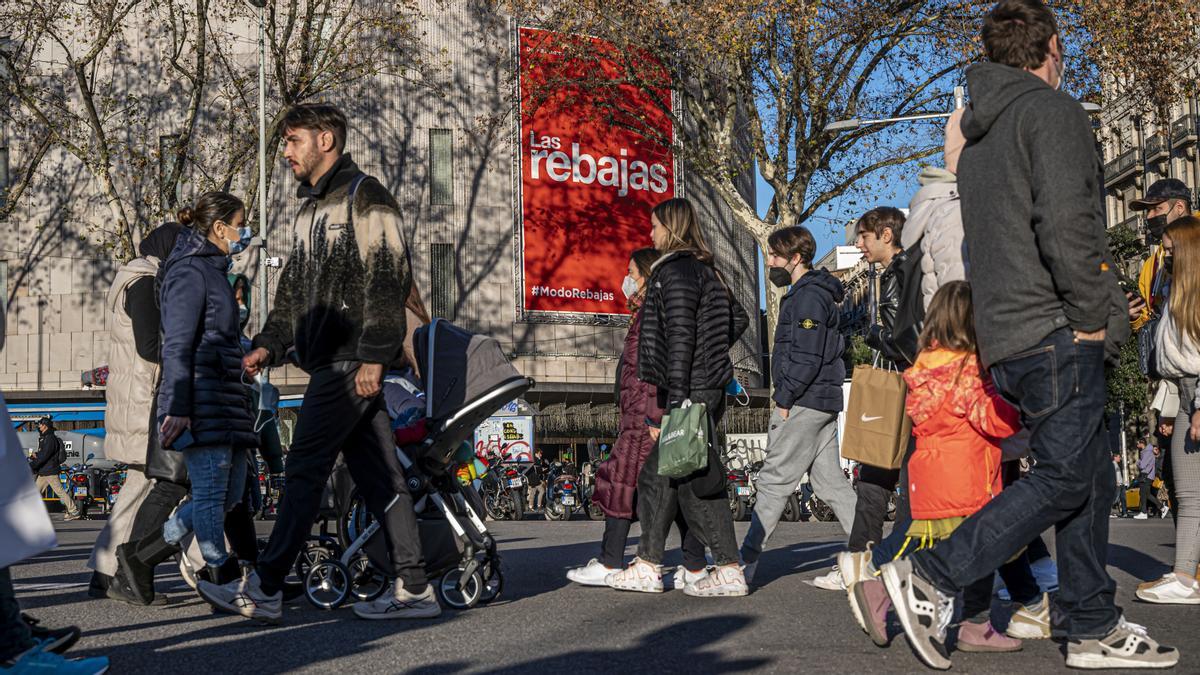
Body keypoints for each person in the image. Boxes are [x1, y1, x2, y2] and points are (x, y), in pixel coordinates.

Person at [879, 1, 1177, 669]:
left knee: (1089, 477)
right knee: (1069, 476)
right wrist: (1095, 310)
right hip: (1057, 323)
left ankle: (1090, 619)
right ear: (1048, 49)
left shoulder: (979, 138)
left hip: (1006, 332)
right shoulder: (1052, 112)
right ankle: (936, 573)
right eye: (1063, 51)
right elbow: (1069, 225)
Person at [200, 103, 439, 622]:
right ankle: (415, 587)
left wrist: (376, 354)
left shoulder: (365, 196)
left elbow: (388, 276)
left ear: (325, 139)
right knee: (379, 479)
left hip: (351, 361)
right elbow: (293, 292)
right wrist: (270, 343)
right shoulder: (309, 209)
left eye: (291, 140)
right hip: (335, 361)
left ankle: (263, 586)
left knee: (305, 467)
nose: (284, 151)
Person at [851, 281, 1043, 652]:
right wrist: (1019, 410)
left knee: (934, 547)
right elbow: (992, 419)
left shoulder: (925, 364)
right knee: (978, 550)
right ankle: (889, 595)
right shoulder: (967, 369)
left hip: (932, 474)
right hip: (967, 478)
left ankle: (974, 623)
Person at [604, 197, 750, 597]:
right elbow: (739, 318)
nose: (650, 234)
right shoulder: (707, 271)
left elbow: (681, 335)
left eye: (654, 227)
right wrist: (712, 354)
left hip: (690, 392)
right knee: (660, 475)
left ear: (671, 228)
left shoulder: (676, 273)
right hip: (703, 386)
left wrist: (679, 397)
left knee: (693, 477)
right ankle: (649, 564)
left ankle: (727, 567)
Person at [567, 248, 708, 588]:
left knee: (621, 487)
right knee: (669, 490)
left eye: (630, 271)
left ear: (645, 276)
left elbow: (649, 371)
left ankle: (611, 561)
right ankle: (694, 565)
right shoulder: (645, 314)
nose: (625, 279)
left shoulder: (650, 316)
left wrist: (653, 417)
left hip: (644, 418)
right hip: (641, 415)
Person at [739, 226, 857, 586]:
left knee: (775, 480)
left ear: (795, 258)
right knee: (830, 484)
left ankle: (742, 564)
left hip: (804, 399)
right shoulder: (811, 294)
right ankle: (868, 557)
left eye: (774, 255)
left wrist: (785, 398)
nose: (769, 261)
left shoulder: (807, 298)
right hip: (821, 399)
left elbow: (806, 356)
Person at [154, 192, 259, 586]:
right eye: (240, 222)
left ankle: (157, 541)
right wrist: (179, 406)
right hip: (201, 400)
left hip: (223, 397)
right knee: (213, 496)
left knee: (230, 494)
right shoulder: (189, 272)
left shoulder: (214, 272)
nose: (244, 232)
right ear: (219, 228)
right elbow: (177, 344)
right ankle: (219, 577)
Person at [85, 222, 183, 599]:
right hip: (145, 401)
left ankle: (107, 567)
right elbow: (148, 346)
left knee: (140, 486)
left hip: (137, 400)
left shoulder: (137, 279)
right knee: (154, 485)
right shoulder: (143, 283)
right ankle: (119, 566)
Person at [841, 207, 909, 588]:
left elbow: (904, 339)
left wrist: (875, 335)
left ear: (886, 235)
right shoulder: (893, 272)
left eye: (864, 237)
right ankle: (861, 559)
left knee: (896, 479)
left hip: (908, 387)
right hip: (903, 385)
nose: (859, 245)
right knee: (874, 474)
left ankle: (880, 560)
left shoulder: (900, 272)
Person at [1139, 215, 1200, 603]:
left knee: (1192, 492)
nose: (1166, 253)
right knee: (1187, 490)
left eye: (1171, 247)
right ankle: (1183, 575)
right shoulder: (1180, 291)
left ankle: (1184, 576)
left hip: (1195, 394)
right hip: (1182, 393)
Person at [1129, 178, 1191, 331]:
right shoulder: (1152, 264)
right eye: (1148, 211)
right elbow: (1149, 319)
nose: (1149, 216)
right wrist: (1135, 317)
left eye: (1156, 209)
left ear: (1179, 207)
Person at [29, 417, 79, 521]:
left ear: (45, 426)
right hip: (44, 471)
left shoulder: (50, 438)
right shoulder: (46, 437)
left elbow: (45, 455)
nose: (39, 426)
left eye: (40, 425)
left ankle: (74, 511)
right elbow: (44, 454)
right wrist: (36, 455)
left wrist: (33, 465)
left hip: (50, 471)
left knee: (60, 492)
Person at [1134, 440, 1163, 520]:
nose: (1136, 445)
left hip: (1146, 476)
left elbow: (1142, 465)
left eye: (1137, 443)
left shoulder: (1147, 452)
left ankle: (1145, 512)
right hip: (1147, 476)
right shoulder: (1146, 451)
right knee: (1144, 494)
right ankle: (1158, 507)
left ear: (1141, 443)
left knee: (1144, 494)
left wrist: (1138, 462)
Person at [1112, 453, 1129, 519]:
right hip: (1117, 485)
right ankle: (1109, 512)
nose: (1120, 458)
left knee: (1123, 499)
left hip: (1121, 484)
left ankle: (1125, 513)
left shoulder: (1117, 464)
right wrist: (1115, 482)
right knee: (1115, 500)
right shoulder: (1113, 464)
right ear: (1115, 457)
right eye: (1119, 457)